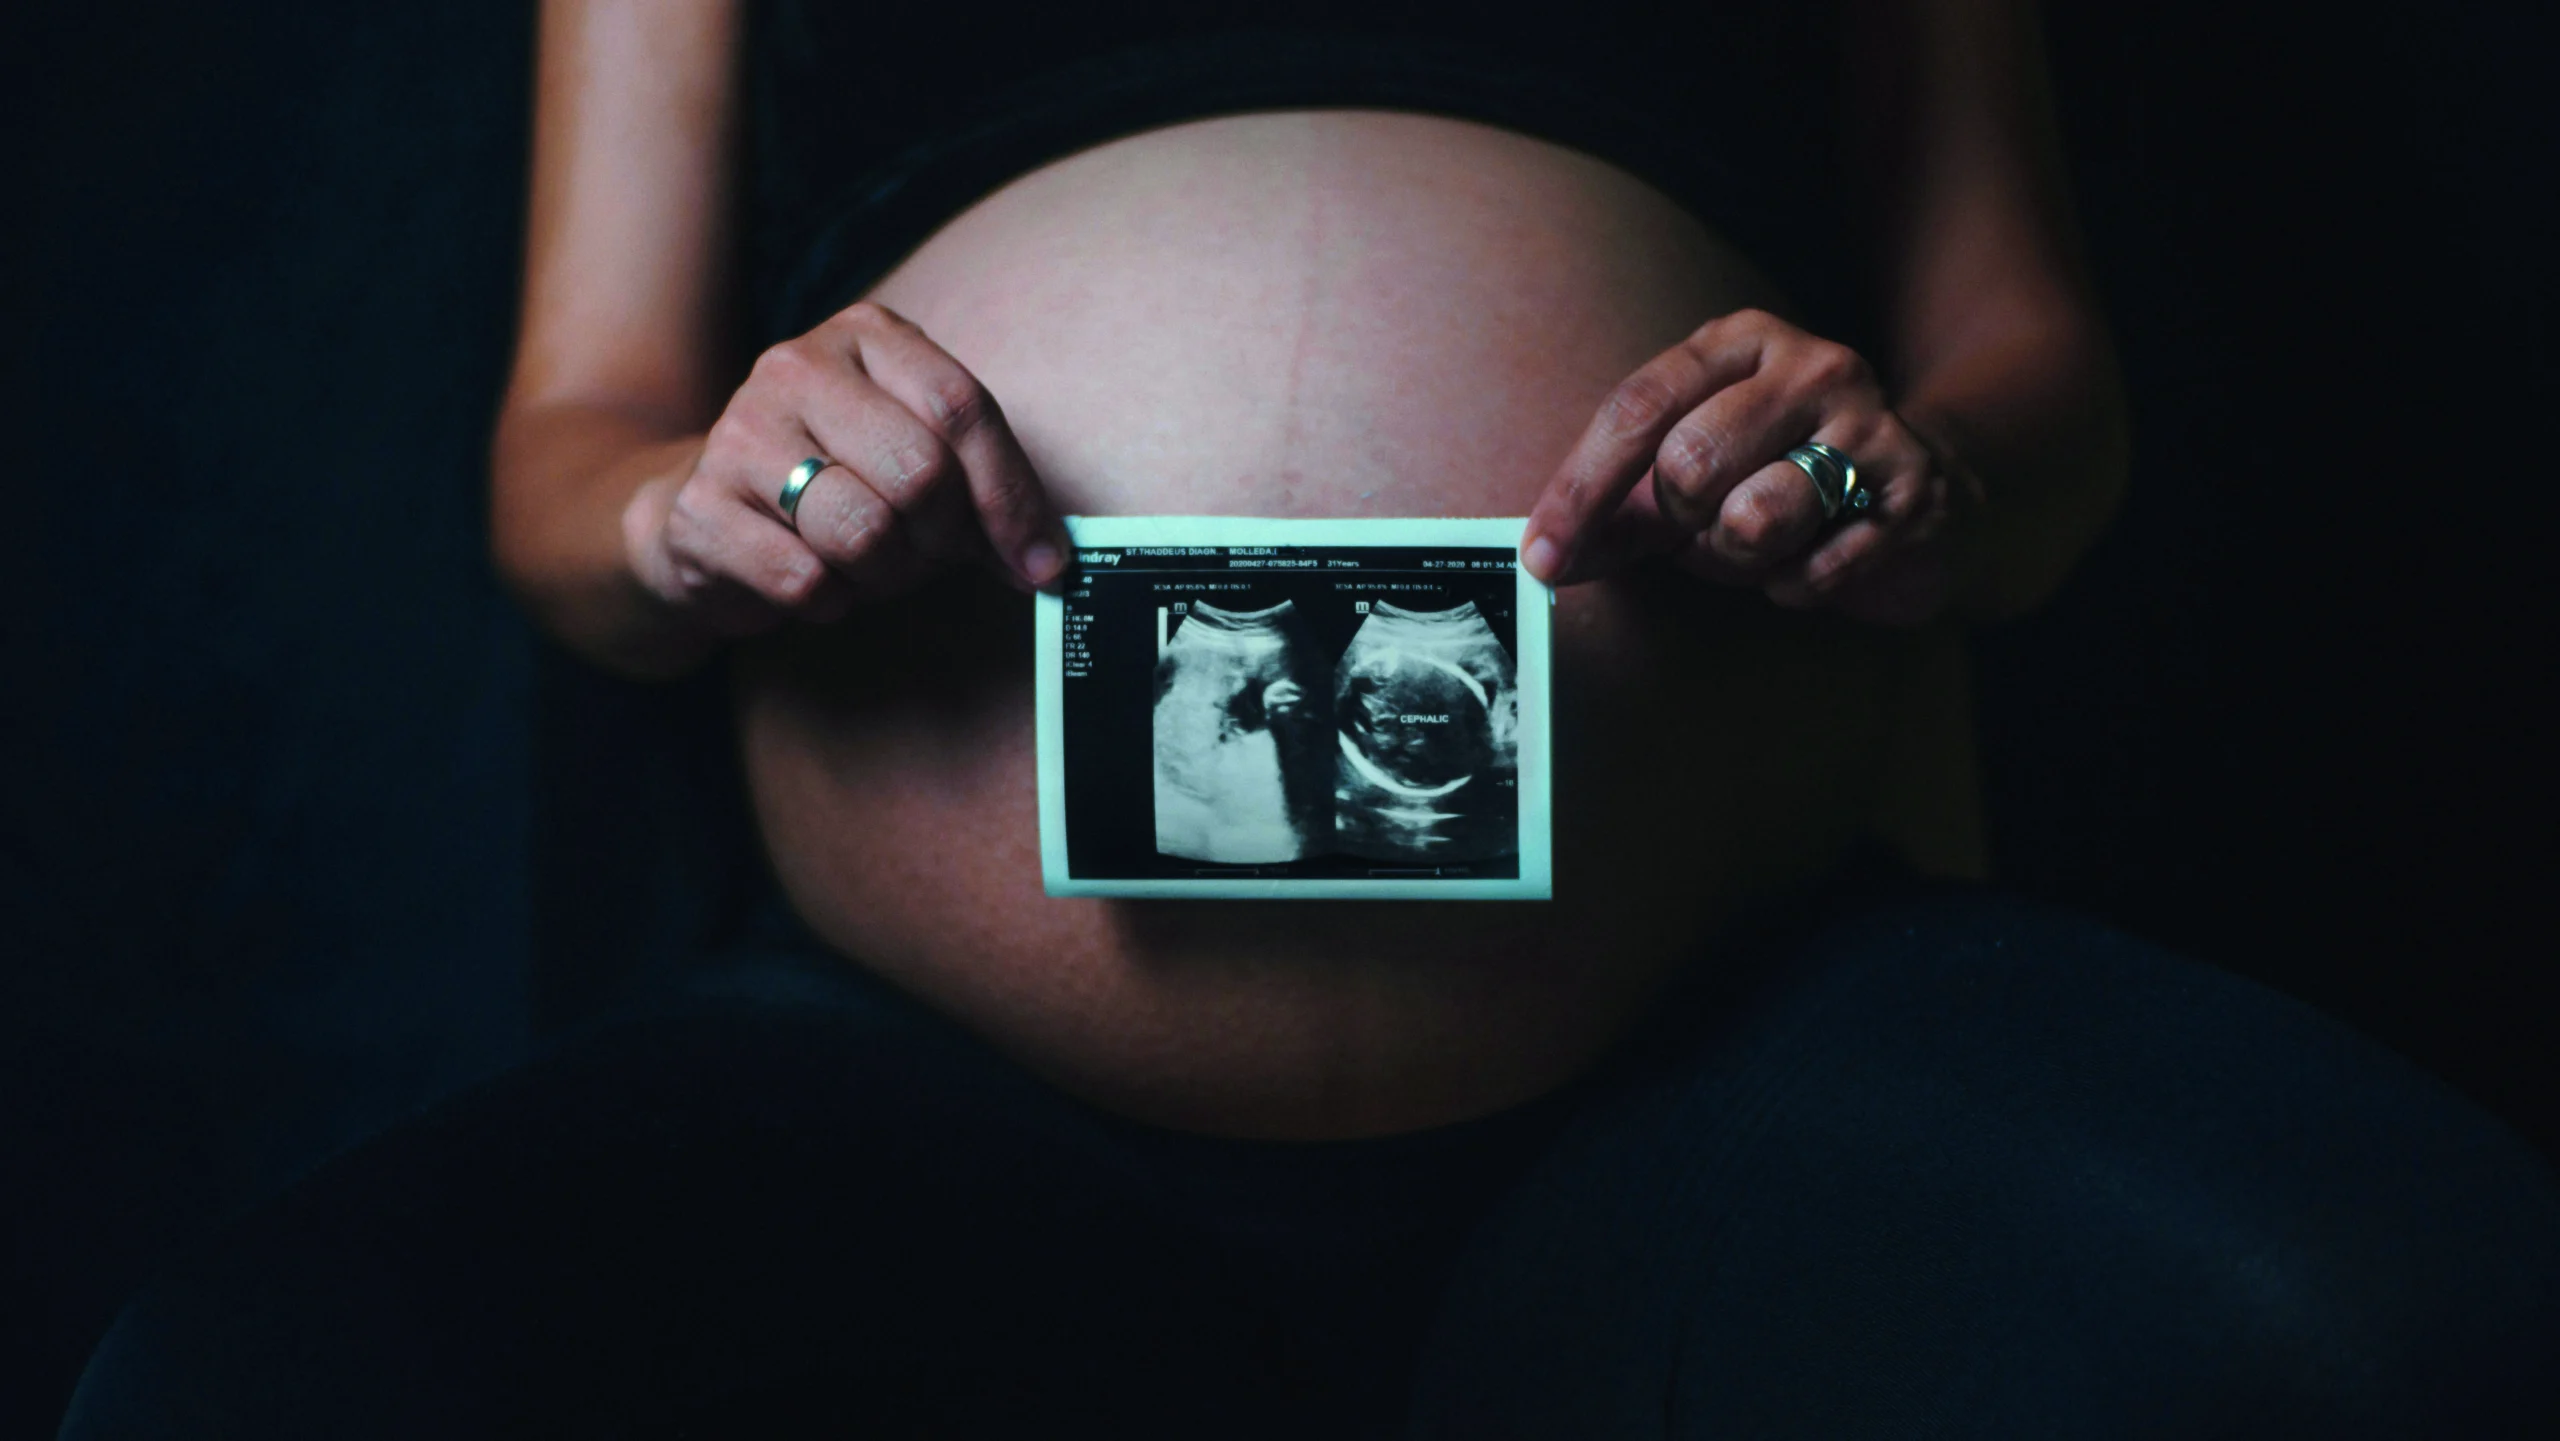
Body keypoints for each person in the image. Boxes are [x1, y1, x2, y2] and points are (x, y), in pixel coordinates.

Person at [56, 1, 2560, 1436]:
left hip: (1740, 1040)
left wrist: (1914, 469)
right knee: (240, 1395)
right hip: (920, 1100)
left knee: (2397, 1320)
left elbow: (2041, 389)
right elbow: (561, 455)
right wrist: (697, 514)